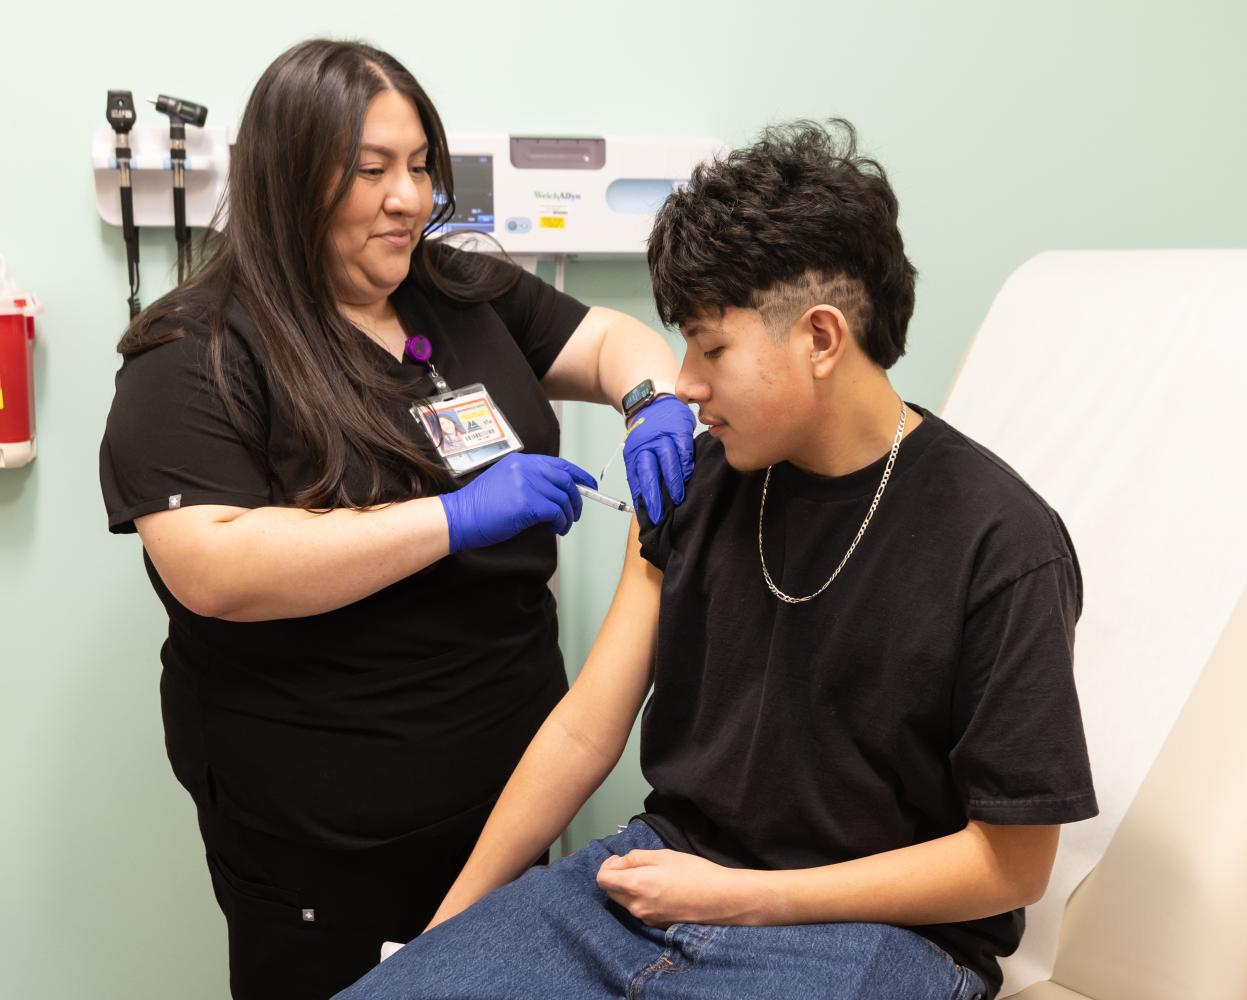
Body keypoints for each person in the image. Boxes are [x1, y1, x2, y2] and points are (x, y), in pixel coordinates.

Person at [336, 120, 1097, 1000]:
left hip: (880, 937)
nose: (683, 384)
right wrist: (445, 935)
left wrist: (744, 900)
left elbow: (1011, 864)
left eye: (711, 347)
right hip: (655, 886)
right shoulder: (694, 489)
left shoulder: (999, 545)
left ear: (819, 339)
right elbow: (587, 728)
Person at [97, 38, 695, 1000]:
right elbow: (214, 565)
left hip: (509, 801)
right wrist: (452, 518)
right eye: (370, 170)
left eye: (420, 166)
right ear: (291, 178)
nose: (408, 197)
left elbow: (615, 341)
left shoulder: (456, 288)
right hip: (324, 846)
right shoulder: (195, 351)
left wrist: (651, 401)